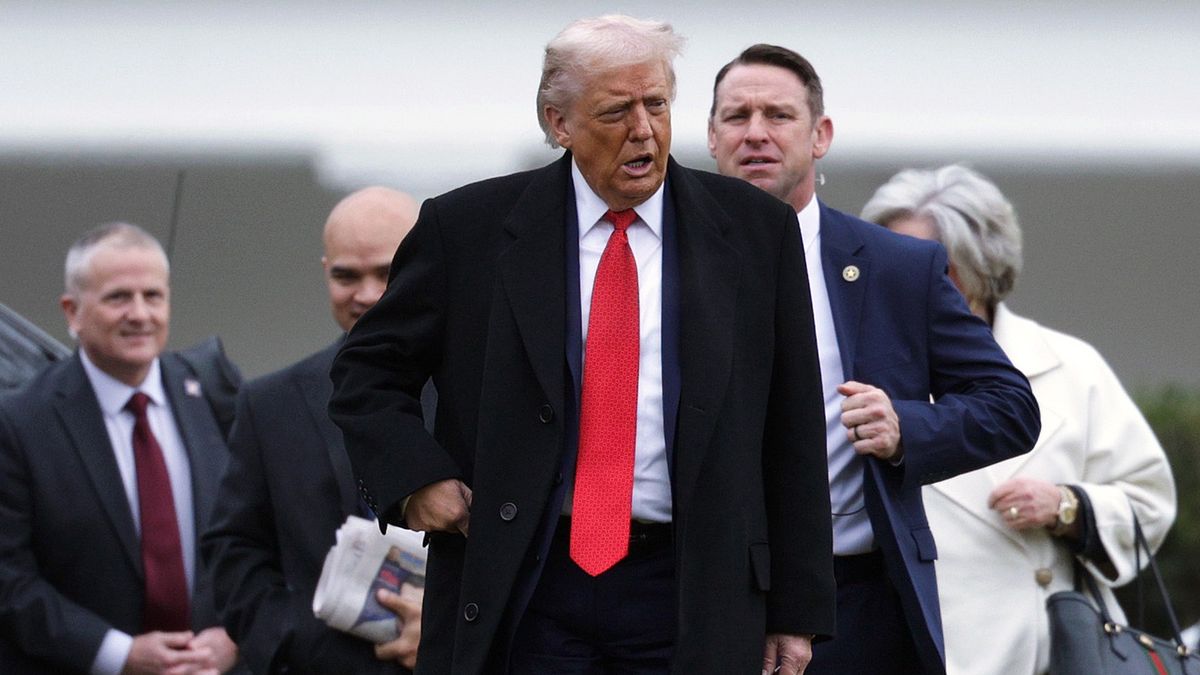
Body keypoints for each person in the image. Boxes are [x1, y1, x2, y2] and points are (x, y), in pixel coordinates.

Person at [329, 15, 834, 675]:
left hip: (689, 584)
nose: (644, 130)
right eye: (615, 111)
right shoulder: (468, 230)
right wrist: (416, 477)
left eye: (656, 103)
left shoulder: (755, 230)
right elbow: (367, 373)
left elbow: (792, 428)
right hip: (526, 576)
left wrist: (795, 611)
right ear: (558, 122)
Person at [708, 44, 1041, 675]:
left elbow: (1010, 406)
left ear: (821, 135)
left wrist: (903, 430)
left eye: (778, 115)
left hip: (856, 605)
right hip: (701, 598)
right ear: (711, 134)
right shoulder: (657, 260)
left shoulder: (896, 267)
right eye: (736, 116)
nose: (755, 133)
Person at [862, 164, 1177, 675]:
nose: (900, 279)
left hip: (1058, 653)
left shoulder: (1068, 363)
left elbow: (1150, 501)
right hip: (923, 651)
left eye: (924, 265)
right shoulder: (858, 377)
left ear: (976, 271)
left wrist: (1067, 506)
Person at [202, 187, 429, 674]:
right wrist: (308, 646)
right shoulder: (271, 404)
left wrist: (453, 631)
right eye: (346, 276)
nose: (365, 295)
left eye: (386, 273)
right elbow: (233, 553)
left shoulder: (493, 395)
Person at [0, 223, 240, 674]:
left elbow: (261, 538)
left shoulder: (212, 396)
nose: (140, 314)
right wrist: (118, 654)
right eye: (117, 298)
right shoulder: (19, 423)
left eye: (153, 296)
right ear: (71, 312)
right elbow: (8, 579)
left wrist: (235, 636)